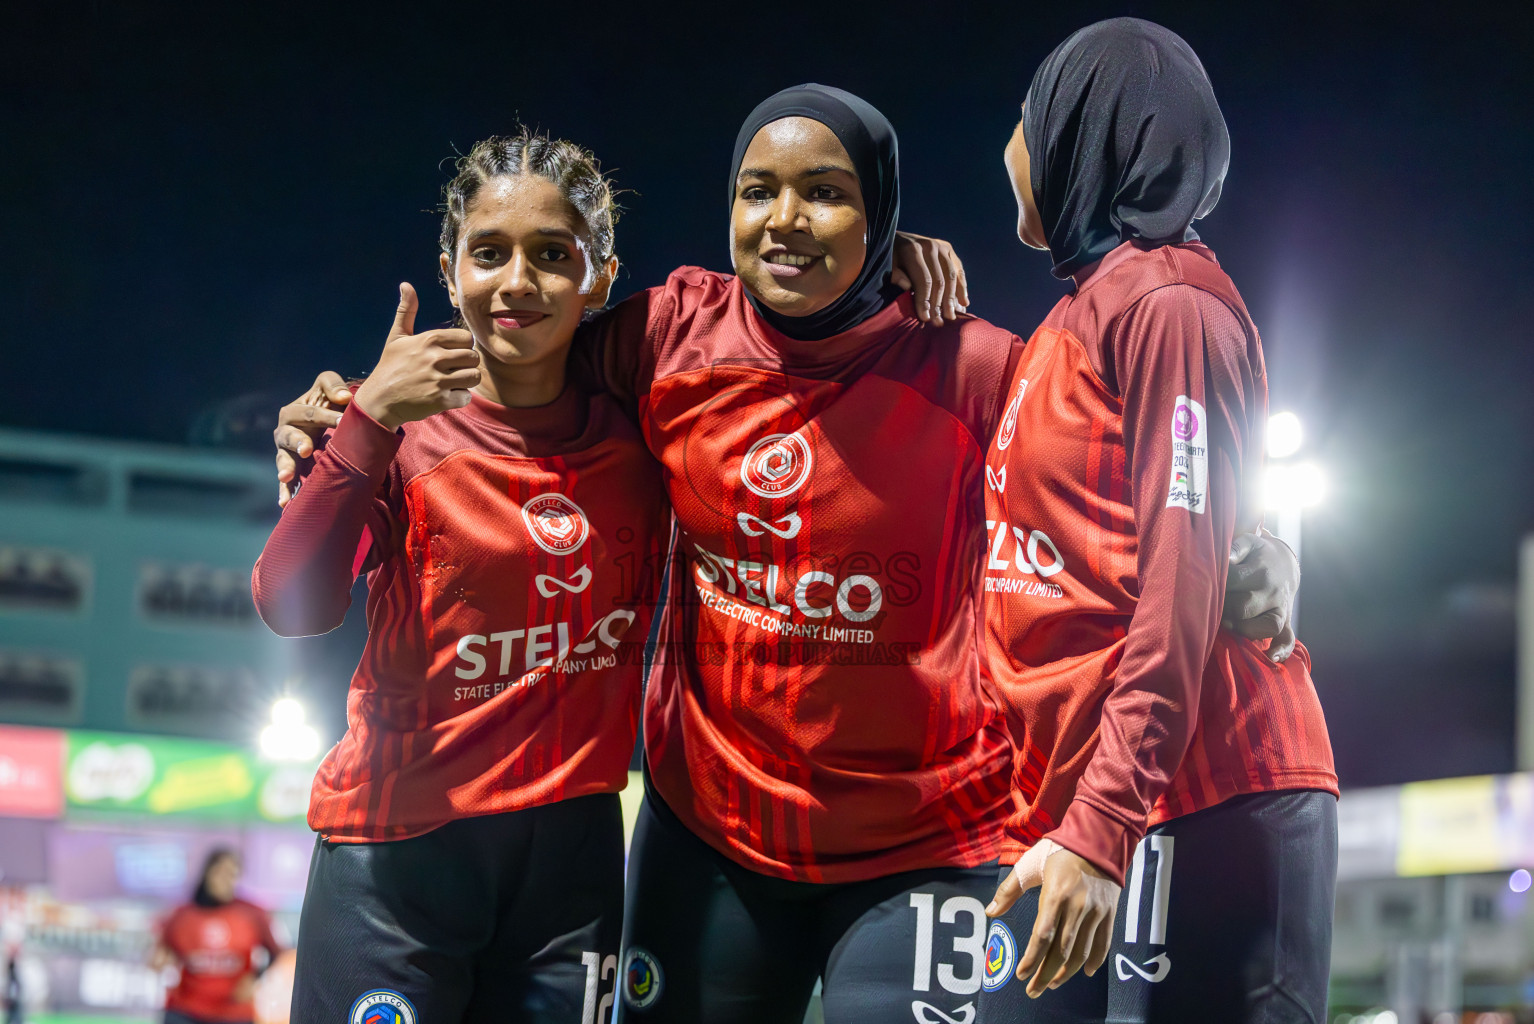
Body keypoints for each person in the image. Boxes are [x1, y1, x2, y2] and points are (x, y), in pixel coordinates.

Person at [268, 86, 1302, 1024]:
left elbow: (1127, 481)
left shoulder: (978, 366)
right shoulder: (665, 341)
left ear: (882, 213)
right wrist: (342, 424)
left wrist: (1258, 543)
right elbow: (517, 339)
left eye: (827, 193)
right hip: (707, 843)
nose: (785, 218)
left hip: (927, 841)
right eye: (759, 190)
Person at [251, 128, 669, 1024]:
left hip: (572, 866)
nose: (517, 281)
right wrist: (361, 424)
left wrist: (885, 266)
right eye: (489, 252)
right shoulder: (387, 429)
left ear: (600, 275)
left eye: (552, 255)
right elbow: (292, 605)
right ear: (450, 271)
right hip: (394, 864)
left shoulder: (649, 433)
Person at [976, 19, 1338, 1024]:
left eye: (1025, 116)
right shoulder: (1074, 319)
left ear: (1078, 135)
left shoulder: (1170, 305)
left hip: (1207, 797)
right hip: (1098, 810)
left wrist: (1100, 825)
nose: (1008, 140)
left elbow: (1180, 588)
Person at [152, 849, 282, 1024]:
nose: (225, 881)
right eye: (221, 872)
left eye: (232, 875)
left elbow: (277, 953)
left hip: (234, 1012)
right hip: (187, 1009)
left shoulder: (251, 914)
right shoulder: (182, 915)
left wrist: (256, 978)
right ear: (208, 873)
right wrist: (161, 960)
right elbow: (161, 953)